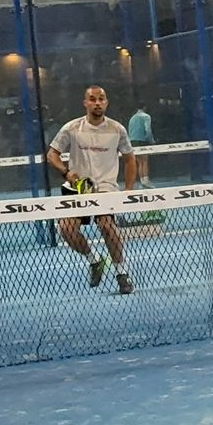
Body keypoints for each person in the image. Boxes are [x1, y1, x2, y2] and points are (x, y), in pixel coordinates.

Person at [45, 85, 136, 295]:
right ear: (85, 103)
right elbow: (52, 154)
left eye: (101, 99)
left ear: (106, 103)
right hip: (77, 188)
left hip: (105, 190)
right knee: (66, 229)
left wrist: (129, 191)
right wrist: (67, 172)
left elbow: (130, 159)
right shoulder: (71, 128)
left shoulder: (117, 129)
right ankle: (94, 260)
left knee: (107, 226)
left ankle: (122, 273)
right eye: (93, 99)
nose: (97, 103)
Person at [126, 103, 154, 187]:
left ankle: (142, 181)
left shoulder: (132, 118)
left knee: (140, 162)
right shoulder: (146, 116)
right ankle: (146, 181)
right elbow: (148, 130)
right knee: (145, 161)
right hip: (142, 140)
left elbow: (129, 131)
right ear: (145, 107)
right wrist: (151, 140)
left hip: (133, 141)